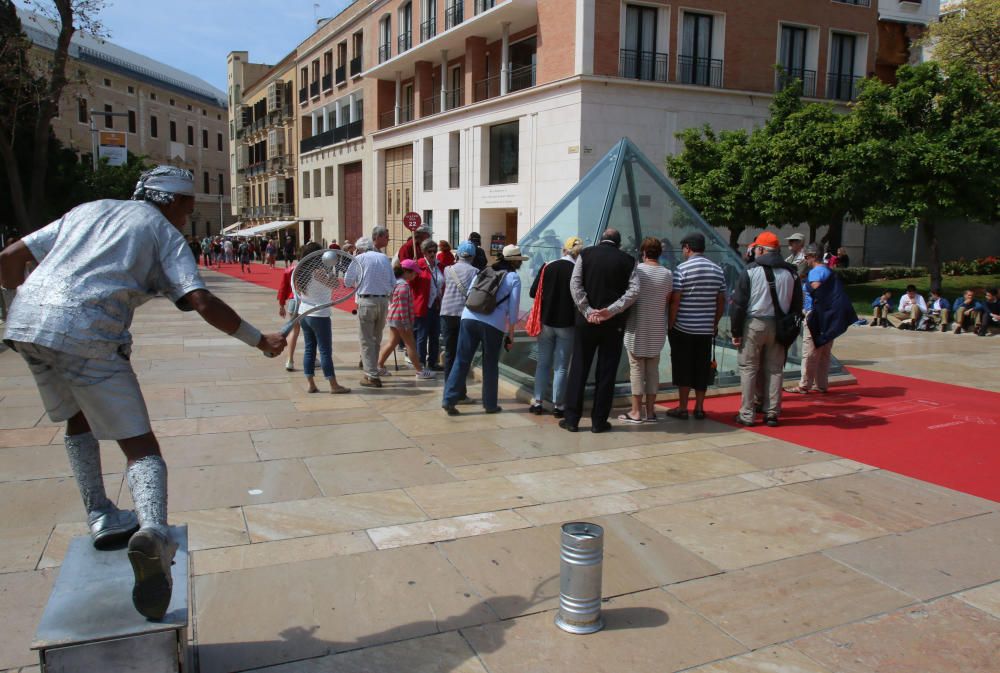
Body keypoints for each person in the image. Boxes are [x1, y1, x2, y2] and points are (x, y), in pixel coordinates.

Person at [0, 166, 286, 620]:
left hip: (26, 326)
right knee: (140, 446)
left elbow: (11, 255)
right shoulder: (162, 231)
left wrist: (20, 302)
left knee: (78, 418)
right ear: (172, 202)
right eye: (188, 210)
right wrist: (259, 340)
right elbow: (201, 301)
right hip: (88, 331)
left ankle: (100, 515)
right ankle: (152, 531)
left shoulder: (88, 209)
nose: (187, 219)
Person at [560, 229, 639, 433]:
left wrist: (587, 310)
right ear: (619, 243)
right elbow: (634, 291)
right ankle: (599, 421)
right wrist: (610, 311)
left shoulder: (585, 254)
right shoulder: (629, 260)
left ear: (601, 239)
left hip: (586, 322)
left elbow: (575, 284)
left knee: (578, 368)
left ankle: (571, 419)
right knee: (606, 372)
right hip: (613, 324)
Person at [442, 244, 526, 415]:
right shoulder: (513, 278)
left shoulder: (484, 271)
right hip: (493, 324)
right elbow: (513, 308)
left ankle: (449, 399)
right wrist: (510, 334)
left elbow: (471, 293)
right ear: (515, 261)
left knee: (461, 359)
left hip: (468, 317)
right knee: (490, 364)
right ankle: (490, 405)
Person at [730, 231, 803, 427]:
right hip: (780, 325)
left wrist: (736, 332)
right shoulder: (791, 272)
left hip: (755, 324)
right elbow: (797, 305)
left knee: (748, 368)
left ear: (760, 249)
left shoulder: (750, 271)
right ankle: (772, 412)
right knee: (775, 370)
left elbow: (738, 304)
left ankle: (747, 413)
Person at [665, 233, 726, 420]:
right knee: (701, 368)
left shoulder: (682, 269)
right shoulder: (717, 270)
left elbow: (675, 301)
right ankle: (699, 408)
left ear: (688, 248)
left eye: (683, 248)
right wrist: (714, 323)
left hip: (683, 328)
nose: (683, 251)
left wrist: (671, 324)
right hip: (706, 330)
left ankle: (683, 407)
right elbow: (721, 301)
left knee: (683, 367)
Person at [619, 237, 672, 424]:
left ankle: (635, 411)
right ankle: (651, 412)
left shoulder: (637, 271)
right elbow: (666, 300)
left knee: (636, 369)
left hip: (637, 326)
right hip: (657, 327)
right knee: (652, 371)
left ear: (643, 252)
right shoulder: (667, 274)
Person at [788, 244, 854, 394]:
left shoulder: (815, 272)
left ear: (812, 256)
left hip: (815, 315)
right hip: (828, 316)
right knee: (824, 352)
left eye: (805, 257)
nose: (805, 260)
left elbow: (817, 291)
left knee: (809, 352)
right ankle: (821, 384)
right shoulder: (827, 270)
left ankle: (804, 385)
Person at [528, 236, 582, 417]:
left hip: (545, 322)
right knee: (561, 367)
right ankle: (559, 405)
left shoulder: (547, 266)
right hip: (566, 324)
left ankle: (537, 402)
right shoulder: (577, 270)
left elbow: (533, 292)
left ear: (563, 250)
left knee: (542, 364)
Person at [295, 242, 350, 395]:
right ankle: (333, 384)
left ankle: (310, 383)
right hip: (319, 314)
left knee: (309, 349)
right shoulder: (318, 271)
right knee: (325, 351)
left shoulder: (300, 271)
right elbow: (334, 285)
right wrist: (331, 272)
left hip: (304, 313)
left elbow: (299, 290)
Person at [345, 230, 395, 388]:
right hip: (383, 301)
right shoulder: (384, 258)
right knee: (376, 338)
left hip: (366, 301)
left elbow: (347, 282)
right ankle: (373, 369)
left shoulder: (358, 259)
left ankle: (372, 375)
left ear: (359, 249)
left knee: (366, 340)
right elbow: (393, 282)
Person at [378, 260, 436, 380]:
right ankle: (420, 371)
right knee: (410, 344)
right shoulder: (403, 286)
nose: (415, 276)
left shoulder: (395, 283)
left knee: (392, 343)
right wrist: (406, 323)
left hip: (394, 317)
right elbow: (403, 307)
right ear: (406, 272)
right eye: (414, 273)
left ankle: (379, 366)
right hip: (401, 319)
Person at [439, 242, 479, 383]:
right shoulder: (475, 272)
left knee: (449, 352)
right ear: (473, 256)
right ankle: (460, 392)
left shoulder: (447, 269)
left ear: (458, 254)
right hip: (464, 315)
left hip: (446, 313)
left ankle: (448, 387)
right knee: (461, 354)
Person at [413, 239, 445, 371]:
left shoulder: (440, 266)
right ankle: (420, 362)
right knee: (422, 335)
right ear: (424, 252)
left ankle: (433, 362)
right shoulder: (418, 265)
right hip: (423, 305)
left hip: (437, 306)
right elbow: (411, 285)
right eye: (429, 251)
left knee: (435, 335)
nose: (432, 254)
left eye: (434, 251)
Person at [277, 255, 302, 372]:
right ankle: (312, 358)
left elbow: (283, 287)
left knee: (294, 331)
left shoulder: (290, 269)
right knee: (311, 331)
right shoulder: (312, 269)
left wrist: (281, 305)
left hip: (293, 301)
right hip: (308, 302)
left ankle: (290, 360)